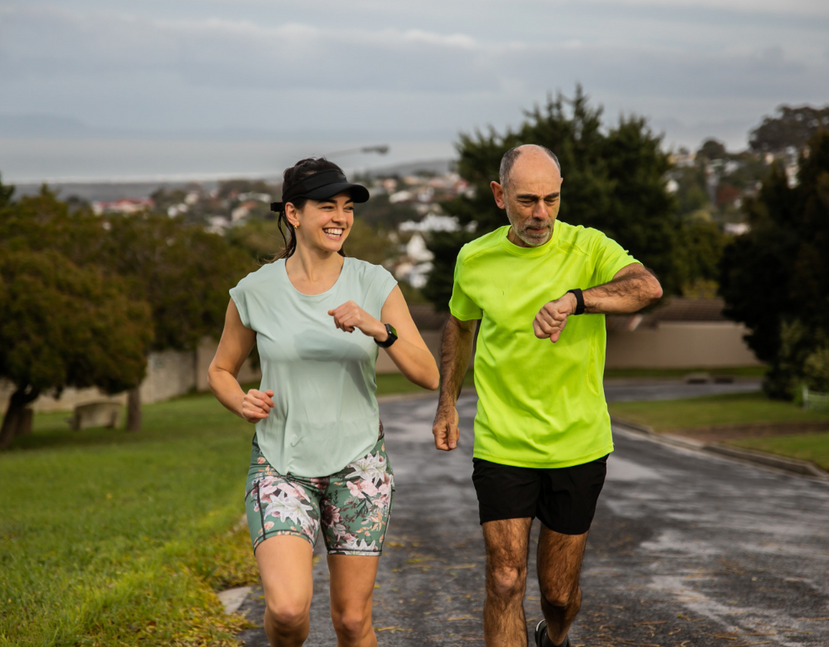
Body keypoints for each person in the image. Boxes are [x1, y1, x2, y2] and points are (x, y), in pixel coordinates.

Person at [431, 144, 662, 647]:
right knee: (504, 578)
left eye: (552, 200)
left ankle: (554, 637)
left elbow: (647, 288)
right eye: (528, 200)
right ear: (499, 195)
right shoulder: (474, 258)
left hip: (577, 443)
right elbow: (460, 324)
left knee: (558, 593)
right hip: (502, 444)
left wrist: (577, 300)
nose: (541, 214)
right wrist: (447, 402)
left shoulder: (589, 247)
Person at [209, 157, 439, 647]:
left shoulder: (373, 282)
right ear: (293, 214)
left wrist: (378, 328)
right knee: (288, 611)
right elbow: (220, 369)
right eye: (326, 206)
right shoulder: (255, 291)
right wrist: (239, 401)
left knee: (352, 622)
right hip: (280, 466)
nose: (340, 218)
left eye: (347, 208)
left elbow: (428, 374)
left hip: (359, 466)